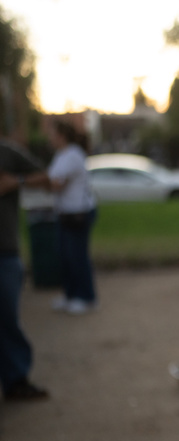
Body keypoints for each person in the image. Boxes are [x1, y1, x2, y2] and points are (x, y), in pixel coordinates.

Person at [0, 141, 50, 401]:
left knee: (8, 320)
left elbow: (47, 178)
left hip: (5, 252)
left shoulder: (7, 153)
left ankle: (16, 380)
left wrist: (15, 181)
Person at [44, 120, 98, 315]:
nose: (50, 138)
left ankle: (86, 297)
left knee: (77, 256)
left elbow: (57, 183)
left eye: (52, 134)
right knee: (65, 256)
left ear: (61, 135)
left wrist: (38, 183)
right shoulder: (61, 155)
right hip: (65, 213)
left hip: (78, 213)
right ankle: (71, 295)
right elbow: (52, 180)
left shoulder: (73, 155)